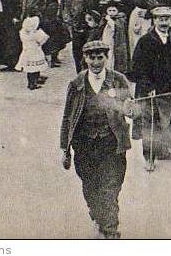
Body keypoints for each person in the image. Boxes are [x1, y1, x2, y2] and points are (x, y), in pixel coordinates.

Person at [59, 40, 140, 239]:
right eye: (91, 57)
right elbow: (68, 116)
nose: (95, 62)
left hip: (112, 143)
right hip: (84, 143)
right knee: (90, 185)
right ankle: (97, 214)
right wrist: (65, 148)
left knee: (111, 186)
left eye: (100, 57)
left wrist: (132, 109)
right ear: (84, 59)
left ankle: (111, 228)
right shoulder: (77, 84)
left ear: (107, 57)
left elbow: (130, 107)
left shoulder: (118, 80)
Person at [129, 0, 171, 169]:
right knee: (150, 123)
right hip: (150, 90)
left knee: (168, 121)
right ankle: (149, 158)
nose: (164, 23)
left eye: (167, 19)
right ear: (154, 20)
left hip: (168, 89)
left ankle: (165, 151)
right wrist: (149, 87)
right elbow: (138, 68)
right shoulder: (146, 41)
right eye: (161, 19)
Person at [15, 16, 49, 90]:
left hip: (27, 53)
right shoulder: (36, 34)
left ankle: (30, 83)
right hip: (36, 53)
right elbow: (43, 40)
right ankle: (34, 83)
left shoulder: (23, 33)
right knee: (36, 69)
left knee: (29, 70)